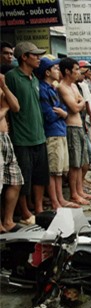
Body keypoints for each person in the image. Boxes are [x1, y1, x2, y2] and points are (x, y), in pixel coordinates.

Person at [5, 42, 49, 225]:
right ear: (24, 57)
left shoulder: (35, 79)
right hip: (22, 137)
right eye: (35, 55)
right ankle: (24, 212)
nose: (39, 59)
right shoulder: (12, 77)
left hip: (39, 135)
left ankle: (38, 209)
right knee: (24, 178)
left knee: (40, 176)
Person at [36, 57, 78, 210]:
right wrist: (61, 113)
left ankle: (61, 199)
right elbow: (49, 115)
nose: (58, 71)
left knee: (59, 171)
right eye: (55, 69)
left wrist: (62, 113)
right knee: (53, 171)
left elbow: (64, 110)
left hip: (60, 131)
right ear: (47, 72)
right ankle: (55, 202)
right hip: (52, 132)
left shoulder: (52, 89)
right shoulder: (42, 90)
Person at [57, 57, 91, 206]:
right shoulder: (62, 87)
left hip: (79, 125)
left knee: (81, 161)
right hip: (71, 126)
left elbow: (82, 103)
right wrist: (79, 103)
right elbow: (75, 107)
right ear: (67, 71)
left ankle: (79, 191)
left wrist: (78, 103)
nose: (79, 72)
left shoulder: (73, 86)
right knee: (74, 163)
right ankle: (74, 193)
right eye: (76, 69)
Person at [0, 72, 23, 232]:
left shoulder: (2, 88)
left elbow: (15, 106)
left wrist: (4, 86)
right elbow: (9, 108)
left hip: (5, 137)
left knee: (15, 180)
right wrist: (4, 109)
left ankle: (8, 220)